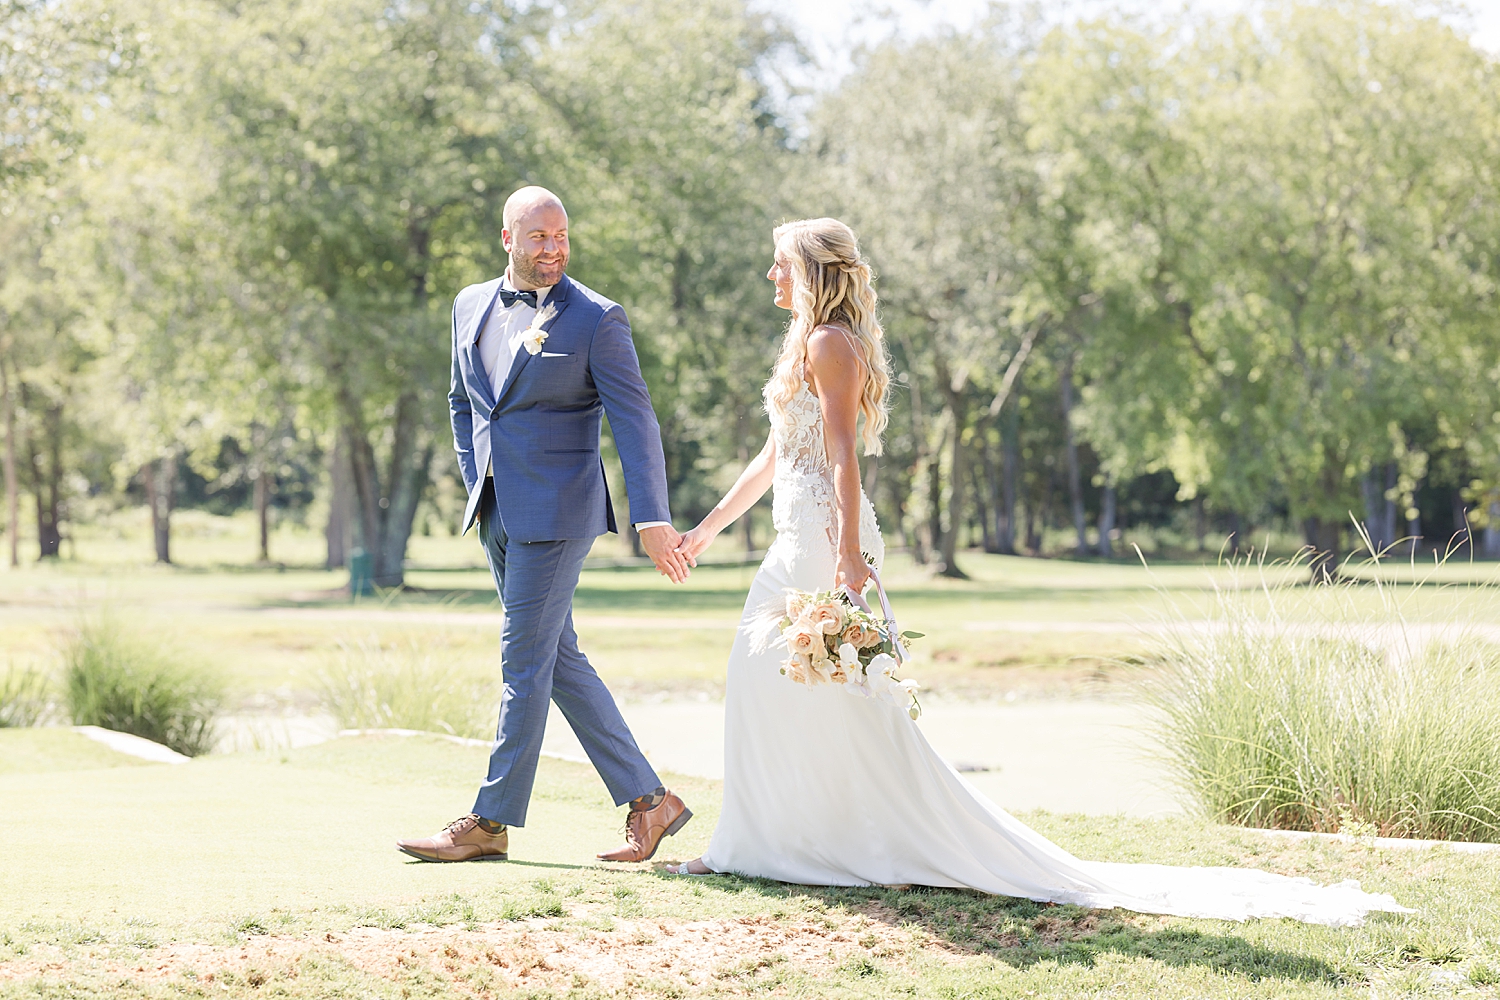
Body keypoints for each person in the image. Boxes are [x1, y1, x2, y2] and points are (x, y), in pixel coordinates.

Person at [666, 217, 1410, 926]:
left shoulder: (832, 342)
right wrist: (705, 529)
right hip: (788, 541)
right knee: (766, 688)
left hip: (825, 542)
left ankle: (871, 844)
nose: (770, 272)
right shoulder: (801, 342)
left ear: (812, 271)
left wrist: (849, 555)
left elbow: (840, 455)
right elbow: (773, 458)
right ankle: (762, 845)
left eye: (780, 262)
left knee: (849, 700)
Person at [396, 187, 693, 865]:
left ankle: (490, 820)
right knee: (555, 658)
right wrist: (479, 475)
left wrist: (652, 518)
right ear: (507, 238)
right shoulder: (469, 304)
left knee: (522, 662)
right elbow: (461, 400)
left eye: (561, 236)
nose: (553, 248)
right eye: (538, 237)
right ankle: (651, 804)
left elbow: (636, 421)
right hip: (495, 509)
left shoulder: (597, 319)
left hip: (559, 515)